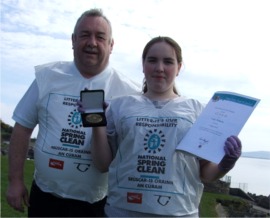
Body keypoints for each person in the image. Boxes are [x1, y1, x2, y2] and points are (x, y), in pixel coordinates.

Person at [86, 36, 242, 217]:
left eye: (168, 61)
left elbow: (206, 173)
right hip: (121, 211)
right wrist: (96, 122)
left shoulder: (197, 110)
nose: (159, 68)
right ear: (143, 65)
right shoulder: (119, 106)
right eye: (152, 60)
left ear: (179, 67)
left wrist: (226, 164)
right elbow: (102, 164)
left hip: (180, 213)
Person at [6, 8, 140, 217]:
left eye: (100, 37)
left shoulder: (129, 92)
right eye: (85, 35)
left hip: (97, 204)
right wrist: (15, 181)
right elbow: (22, 128)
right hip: (45, 198)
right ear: (73, 40)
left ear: (111, 45)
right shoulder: (47, 77)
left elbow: (133, 151)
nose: (92, 43)